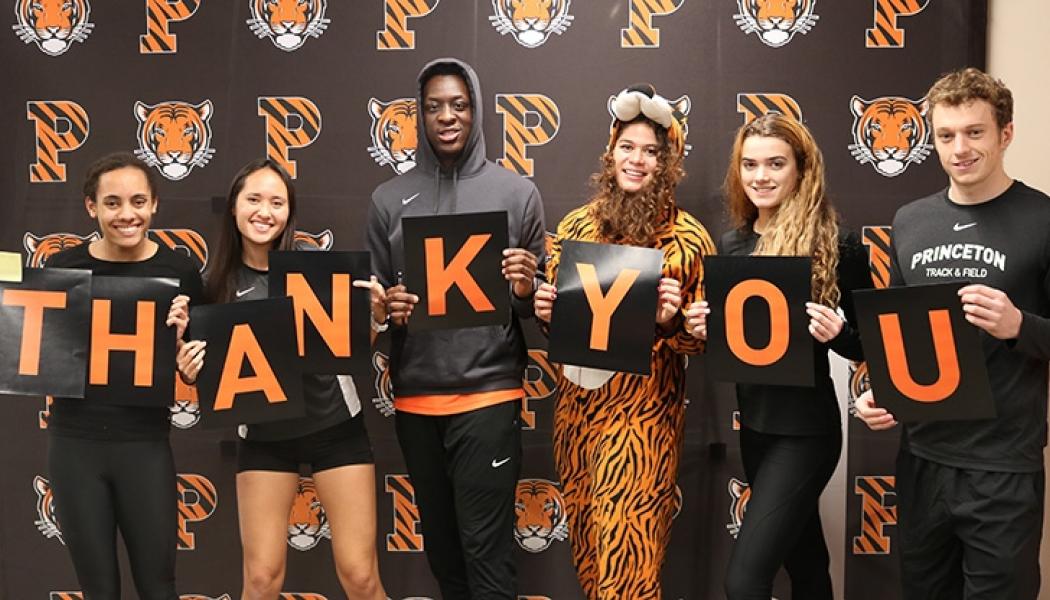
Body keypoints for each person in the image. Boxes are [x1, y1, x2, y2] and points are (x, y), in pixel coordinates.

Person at [855, 67, 1050, 599]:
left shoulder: (1043, 218)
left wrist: (1019, 325)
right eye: (946, 135)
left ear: (1005, 133)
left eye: (974, 132)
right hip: (922, 460)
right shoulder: (911, 220)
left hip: (1002, 467)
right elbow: (905, 332)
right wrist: (888, 391)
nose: (959, 148)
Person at [366, 58, 545, 599]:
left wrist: (523, 288)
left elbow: (537, 308)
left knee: (487, 558)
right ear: (419, 115)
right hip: (417, 402)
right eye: (434, 106)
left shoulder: (517, 195)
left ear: (477, 110)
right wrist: (385, 309)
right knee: (445, 559)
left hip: (488, 398)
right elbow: (371, 306)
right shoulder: (387, 200)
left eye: (459, 105)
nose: (446, 116)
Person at [533, 83, 715, 598]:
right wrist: (546, 314)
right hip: (576, 415)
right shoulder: (574, 226)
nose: (637, 160)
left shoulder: (689, 240)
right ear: (611, 152)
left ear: (668, 162)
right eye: (627, 147)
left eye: (651, 152)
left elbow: (699, 343)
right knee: (591, 558)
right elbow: (565, 328)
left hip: (642, 421)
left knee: (627, 567)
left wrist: (671, 321)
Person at [175, 159, 386, 600]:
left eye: (277, 202)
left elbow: (351, 346)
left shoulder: (316, 267)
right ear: (233, 206)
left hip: (335, 429)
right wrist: (189, 367)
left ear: (290, 212)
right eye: (254, 199)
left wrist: (378, 319)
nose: (264, 211)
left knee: (361, 577)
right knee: (260, 579)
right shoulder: (212, 284)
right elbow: (206, 373)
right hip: (265, 437)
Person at [684, 113, 869, 599]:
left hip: (807, 434)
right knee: (806, 564)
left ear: (801, 170)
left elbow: (870, 344)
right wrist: (704, 328)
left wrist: (840, 332)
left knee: (744, 580)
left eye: (775, 164)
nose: (760, 176)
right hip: (757, 430)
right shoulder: (733, 244)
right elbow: (745, 346)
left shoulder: (837, 243)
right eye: (749, 164)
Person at [45, 152, 204, 600]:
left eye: (138, 201)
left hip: (145, 445)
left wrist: (184, 353)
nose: (127, 214)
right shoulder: (62, 270)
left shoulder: (180, 272)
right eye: (112, 203)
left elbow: (200, 366)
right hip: (74, 445)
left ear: (154, 204)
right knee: (98, 589)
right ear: (91, 207)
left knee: (158, 585)